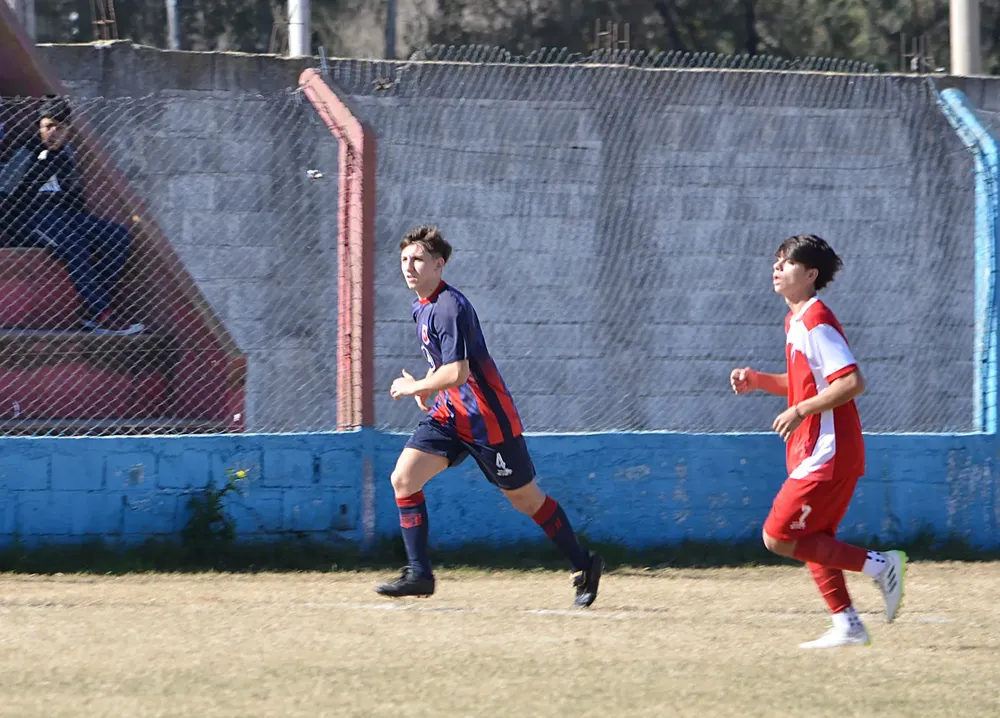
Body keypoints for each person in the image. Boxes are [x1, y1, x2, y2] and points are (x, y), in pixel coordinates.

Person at [377, 225, 604, 607]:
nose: (409, 266)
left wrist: (417, 387)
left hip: (488, 421)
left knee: (525, 499)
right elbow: (446, 369)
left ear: (439, 264)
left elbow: (460, 372)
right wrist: (431, 388)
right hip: (451, 416)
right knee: (403, 478)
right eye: (404, 259)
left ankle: (584, 563)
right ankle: (419, 574)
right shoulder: (422, 306)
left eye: (417, 259)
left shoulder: (449, 306)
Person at [730, 234, 906, 649]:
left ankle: (881, 566)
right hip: (815, 449)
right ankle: (848, 625)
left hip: (830, 450)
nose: (776, 268)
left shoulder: (816, 320)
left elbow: (850, 381)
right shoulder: (796, 320)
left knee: (778, 536)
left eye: (786, 263)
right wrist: (758, 380)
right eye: (775, 261)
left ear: (810, 274)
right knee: (814, 539)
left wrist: (801, 410)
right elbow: (806, 381)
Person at [0, 96, 142, 334]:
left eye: (60, 128)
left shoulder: (66, 154)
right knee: (73, 244)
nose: (54, 133)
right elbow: (4, 196)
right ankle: (102, 313)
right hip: (30, 220)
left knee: (118, 236)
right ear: (39, 127)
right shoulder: (25, 154)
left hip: (65, 217)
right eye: (48, 127)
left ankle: (95, 308)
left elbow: (75, 197)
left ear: (68, 130)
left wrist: (84, 224)